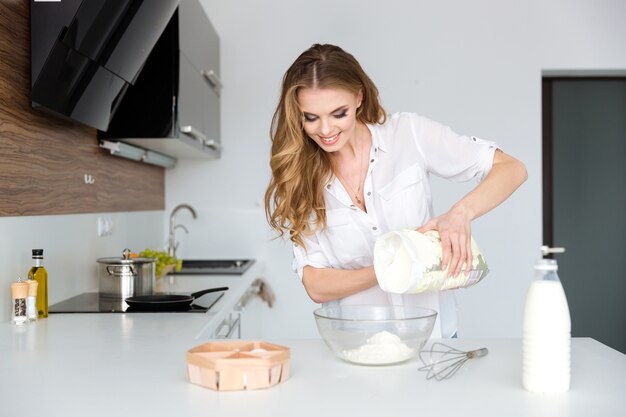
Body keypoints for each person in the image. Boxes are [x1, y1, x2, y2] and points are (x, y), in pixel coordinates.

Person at [264, 44, 527, 337]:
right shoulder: (301, 179)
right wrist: (392, 266)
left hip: (434, 341)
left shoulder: (408, 135)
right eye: (310, 117)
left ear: (359, 98)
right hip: (358, 347)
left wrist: (459, 214)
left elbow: (512, 169)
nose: (325, 129)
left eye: (339, 113)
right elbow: (315, 283)